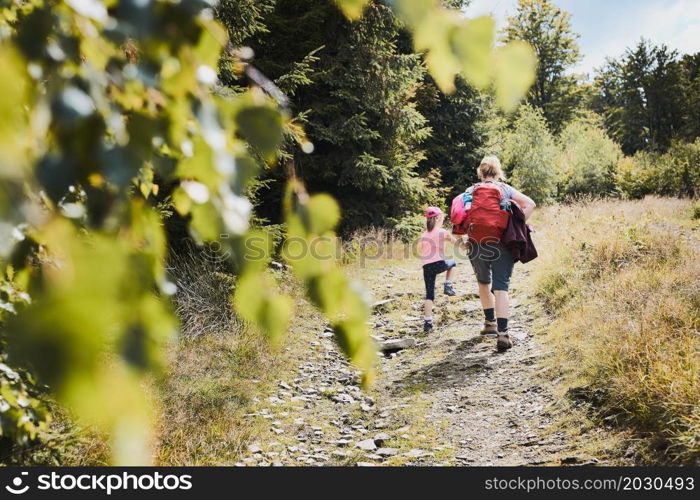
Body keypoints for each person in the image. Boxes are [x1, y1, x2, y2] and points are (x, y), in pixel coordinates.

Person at [464, 156, 536, 351]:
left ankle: (489, 323)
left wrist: (465, 237)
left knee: (483, 283)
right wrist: (516, 225)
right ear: (498, 173)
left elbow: (461, 215)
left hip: (477, 243)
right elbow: (530, 204)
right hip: (502, 243)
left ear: (480, 172)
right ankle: (503, 334)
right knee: (501, 287)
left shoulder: (471, 190)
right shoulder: (506, 189)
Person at [418, 207, 458, 333]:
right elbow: (455, 243)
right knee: (453, 263)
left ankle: (427, 322)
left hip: (427, 267)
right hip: (439, 263)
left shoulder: (424, 234)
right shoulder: (442, 232)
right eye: (442, 218)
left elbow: (422, 248)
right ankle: (448, 286)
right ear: (438, 219)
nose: (443, 220)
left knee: (429, 294)